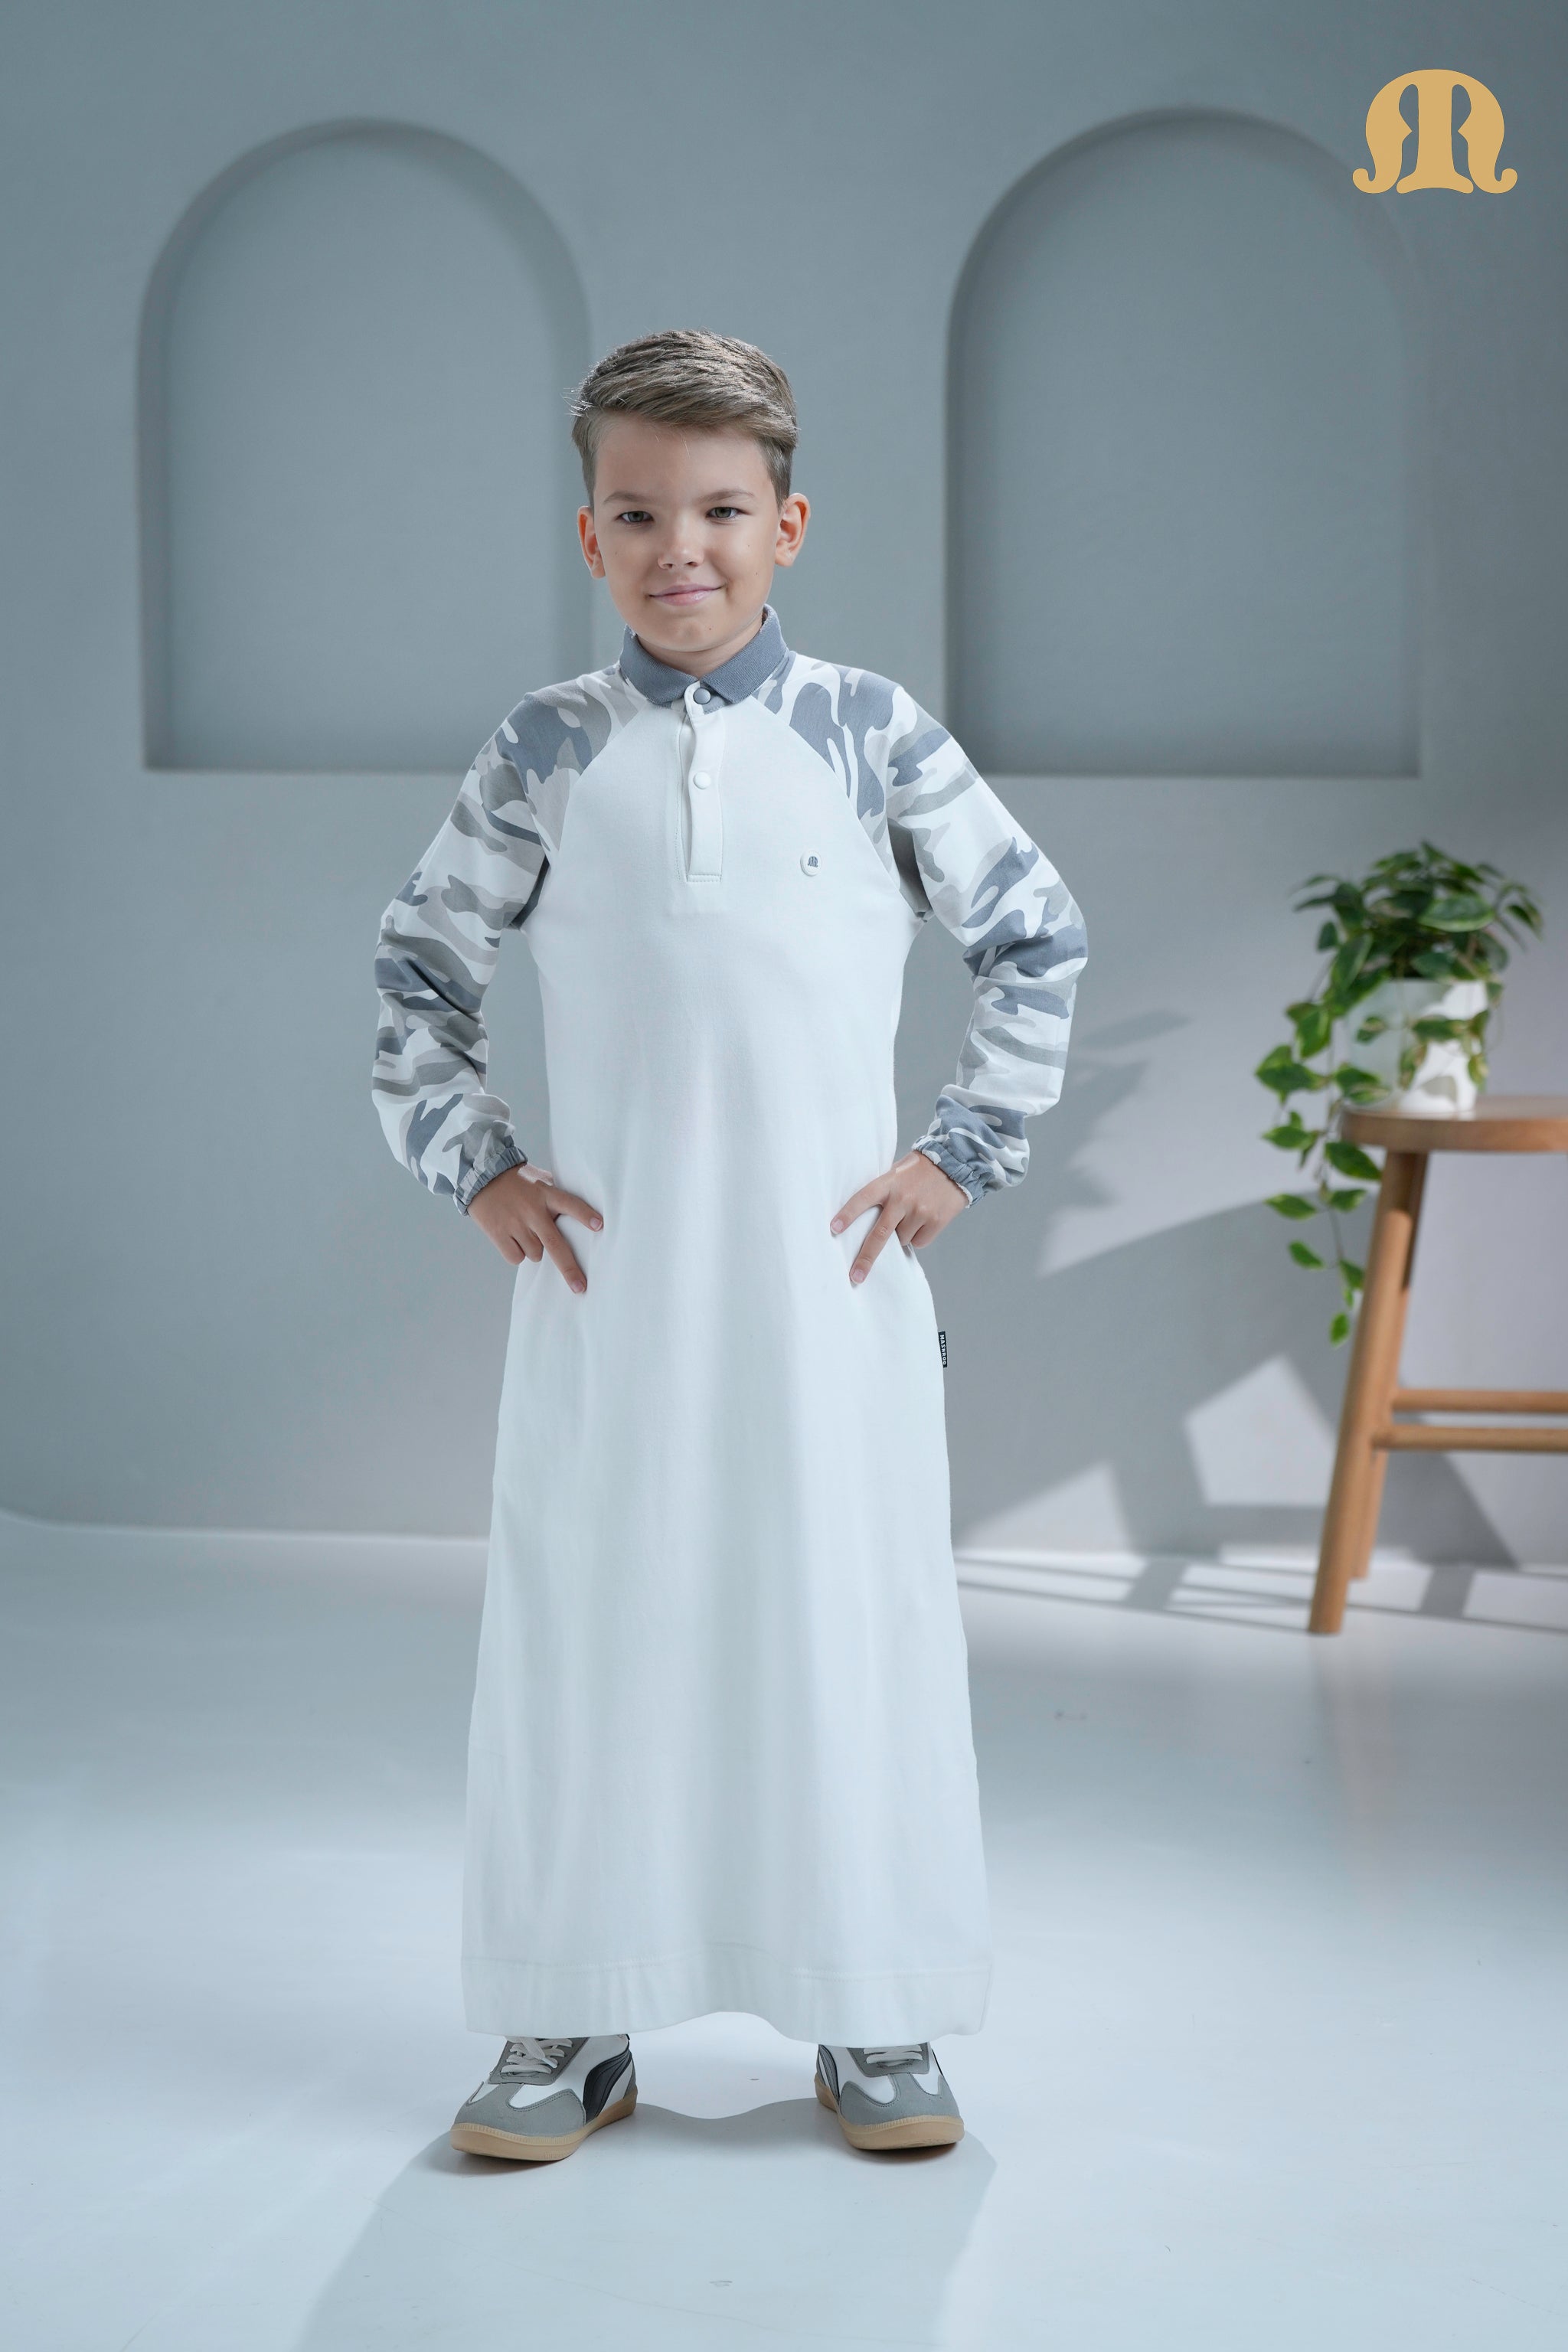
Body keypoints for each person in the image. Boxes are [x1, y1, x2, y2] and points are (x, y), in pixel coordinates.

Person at [371, 328, 1086, 2162]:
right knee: (587, 1627)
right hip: (608, 1298)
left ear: (787, 523)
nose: (676, 548)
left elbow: (1035, 936)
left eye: (716, 511)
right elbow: (418, 971)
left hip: (828, 1297)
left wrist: (959, 1151)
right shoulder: (548, 748)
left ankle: (872, 2005)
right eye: (635, 514)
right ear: (589, 536)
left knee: (845, 1624)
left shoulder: (870, 734)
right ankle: (570, 2013)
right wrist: (477, 1164)